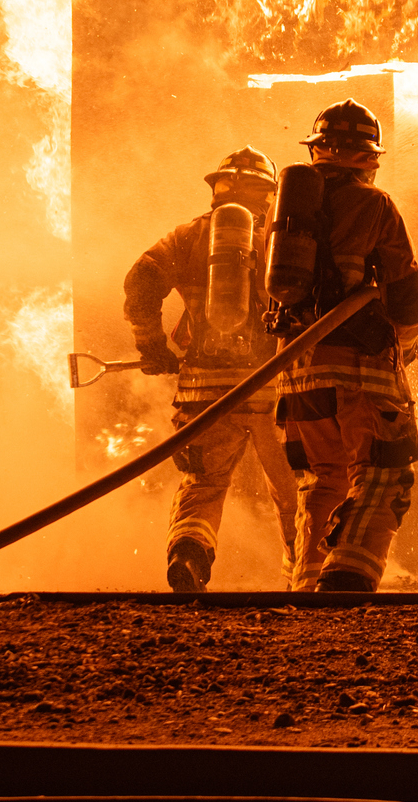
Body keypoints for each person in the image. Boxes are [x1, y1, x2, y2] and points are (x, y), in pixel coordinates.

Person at [273, 100, 418, 593]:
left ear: (318, 150)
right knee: (386, 473)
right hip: (362, 369)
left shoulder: (279, 216)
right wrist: (408, 342)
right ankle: (347, 576)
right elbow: (407, 294)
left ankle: (308, 583)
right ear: (368, 157)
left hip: (297, 372)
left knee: (323, 480)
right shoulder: (374, 205)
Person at [125, 147, 297, 592]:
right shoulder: (283, 241)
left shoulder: (185, 238)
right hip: (273, 386)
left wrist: (152, 344)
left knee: (203, 484)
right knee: (296, 490)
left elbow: (142, 279)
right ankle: (305, 577)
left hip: (204, 389)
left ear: (217, 189)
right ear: (269, 194)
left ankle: (189, 556)